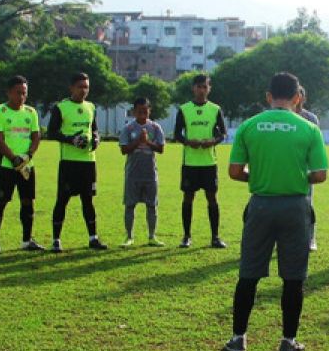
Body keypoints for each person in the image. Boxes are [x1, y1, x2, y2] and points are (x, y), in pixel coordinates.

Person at [223, 72, 329, 351]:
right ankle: (287, 342)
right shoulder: (309, 129)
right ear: (297, 98)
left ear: (268, 97)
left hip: (260, 205)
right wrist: (293, 176)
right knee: (293, 278)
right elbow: (319, 175)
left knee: (248, 275)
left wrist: (260, 177)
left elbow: (234, 172)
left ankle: (238, 339)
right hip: (295, 207)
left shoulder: (249, 126)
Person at [45, 72, 107, 252]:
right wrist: (71, 139)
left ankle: (93, 238)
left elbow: (94, 130)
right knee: (62, 200)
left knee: (88, 200)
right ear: (71, 87)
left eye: (86, 87)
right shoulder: (61, 107)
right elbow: (52, 132)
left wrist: (96, 139)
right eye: (80, 86)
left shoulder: (91, 107)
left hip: (88, 161)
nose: (83, 90)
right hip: (69, 162)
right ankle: (56, 240)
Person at [0, 75, 43, 252]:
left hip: (26, 165)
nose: (21, 97)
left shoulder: (31, 112)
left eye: (24, 93)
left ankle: (27, 240)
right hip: (7, 165)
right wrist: (13, 159)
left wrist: (28, 155)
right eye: (18, 93)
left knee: (28, 201)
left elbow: (36, 136)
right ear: (9, 92)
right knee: (1, 200)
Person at [174, 73, 228, 248]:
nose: (201, 90)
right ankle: (186, 236)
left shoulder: (215, 109)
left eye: (205, 87)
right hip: (190, 163)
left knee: (212, 198)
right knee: (188, 197)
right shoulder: (184, 109)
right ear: (193, 88)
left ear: (209, 89)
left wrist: (212, 141)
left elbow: (223, 133)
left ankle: (215, 237)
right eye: (198, 87)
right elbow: (177, 135)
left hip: (209, 163)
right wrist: (189, 142)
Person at [118, 97, 166, 246]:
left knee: (152, 205)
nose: (142, 114)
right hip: (133, 173)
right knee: (130, 205)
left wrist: (147, 142)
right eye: (139, 111)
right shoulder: (128, 128)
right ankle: (129, 237)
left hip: (150, 174)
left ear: (149, 111)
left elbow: (161, 149)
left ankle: (152, 236)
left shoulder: (156, 128)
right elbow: (124, 150)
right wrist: (138, 141)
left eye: (145, 111)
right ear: (133, 112)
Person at [292, 85, 321, 251]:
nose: (298, 97)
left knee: (307, 203)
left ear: (303, 98)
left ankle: (311, 238)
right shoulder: (284, 117)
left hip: (306, 169)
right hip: (287, 167)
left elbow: (316, 145)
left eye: (300, 94)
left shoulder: (311, 118)